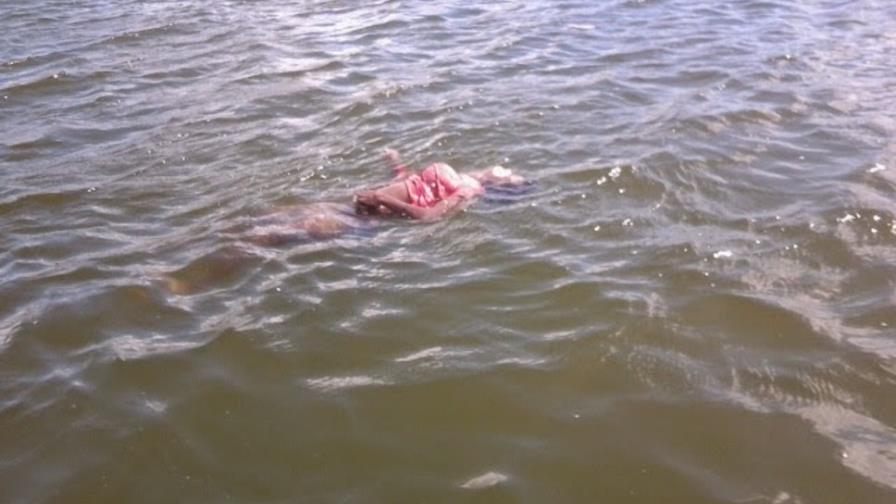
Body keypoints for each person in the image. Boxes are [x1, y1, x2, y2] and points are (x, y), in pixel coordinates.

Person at [353, 148, 526, 220]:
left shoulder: (467, 191)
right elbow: (409, 180)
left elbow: (429, 216)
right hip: (371, 203)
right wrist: (396, 162)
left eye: (505, 177)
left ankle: (514, 184)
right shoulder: (463, 181)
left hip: (370, 213)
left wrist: (381, 197)